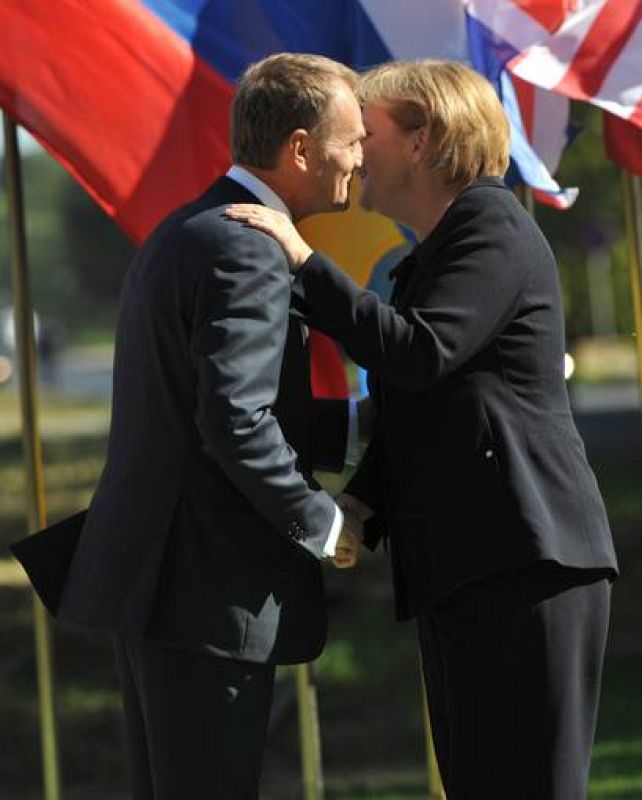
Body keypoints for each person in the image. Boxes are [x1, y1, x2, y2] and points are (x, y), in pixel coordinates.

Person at [226, 59, 619, 799]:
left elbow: (417, 355)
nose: (354, 150)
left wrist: (305, 263)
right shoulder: (433, 257)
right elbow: (424, 408)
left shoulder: (492, 225)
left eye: (367, 131)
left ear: (421, 138)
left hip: (527, 560)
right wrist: (363, 504)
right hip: (477, 565)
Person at [12, 53, 366, 799]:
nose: (360, 160)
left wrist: (369, 425)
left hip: (162, 580)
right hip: (207, 586)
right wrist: (323, 523)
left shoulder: (189, 230)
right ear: (300, 149)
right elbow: (234, 420)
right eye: (353, 141)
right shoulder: (247, 249)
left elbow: (196, 408)